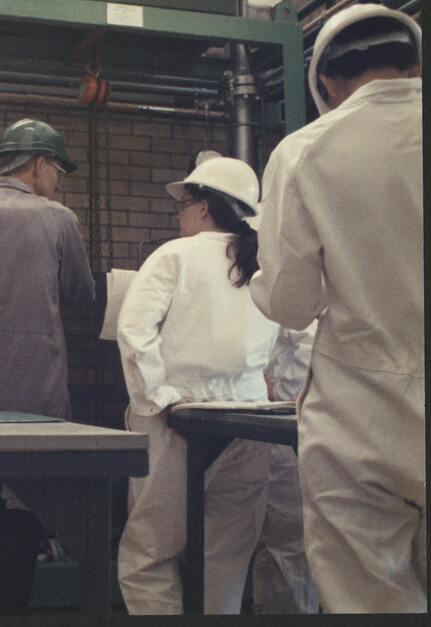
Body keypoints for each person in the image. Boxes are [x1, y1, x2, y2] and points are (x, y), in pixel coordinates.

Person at [250, 3, 424, 613]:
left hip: (364, 423)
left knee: (370, 597)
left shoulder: (304, 152)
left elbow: (292, 305)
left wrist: (254, 282)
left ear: (325, 81)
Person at [0, 118, 95, 614]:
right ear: (39, 164)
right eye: (58, 171)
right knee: (25, 504)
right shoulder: (58, 219)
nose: (58, 182)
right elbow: (81, 294)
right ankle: (7, 607)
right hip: (37, 387)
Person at [116, 156, 279, 614]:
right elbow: (295, 335)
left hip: (178, 421)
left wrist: (162, 400)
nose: (180, 215)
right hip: (252, 425)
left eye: (184, 205)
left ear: (204, 206)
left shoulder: (174, 255)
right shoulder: (264, 260)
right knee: (226, 556)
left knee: (149, 555)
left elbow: (134, 332)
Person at [253, 324, 319, 615]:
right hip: (283, 424)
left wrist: (270, 383)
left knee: (291, 545)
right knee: (282, 545)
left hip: (295, 423)